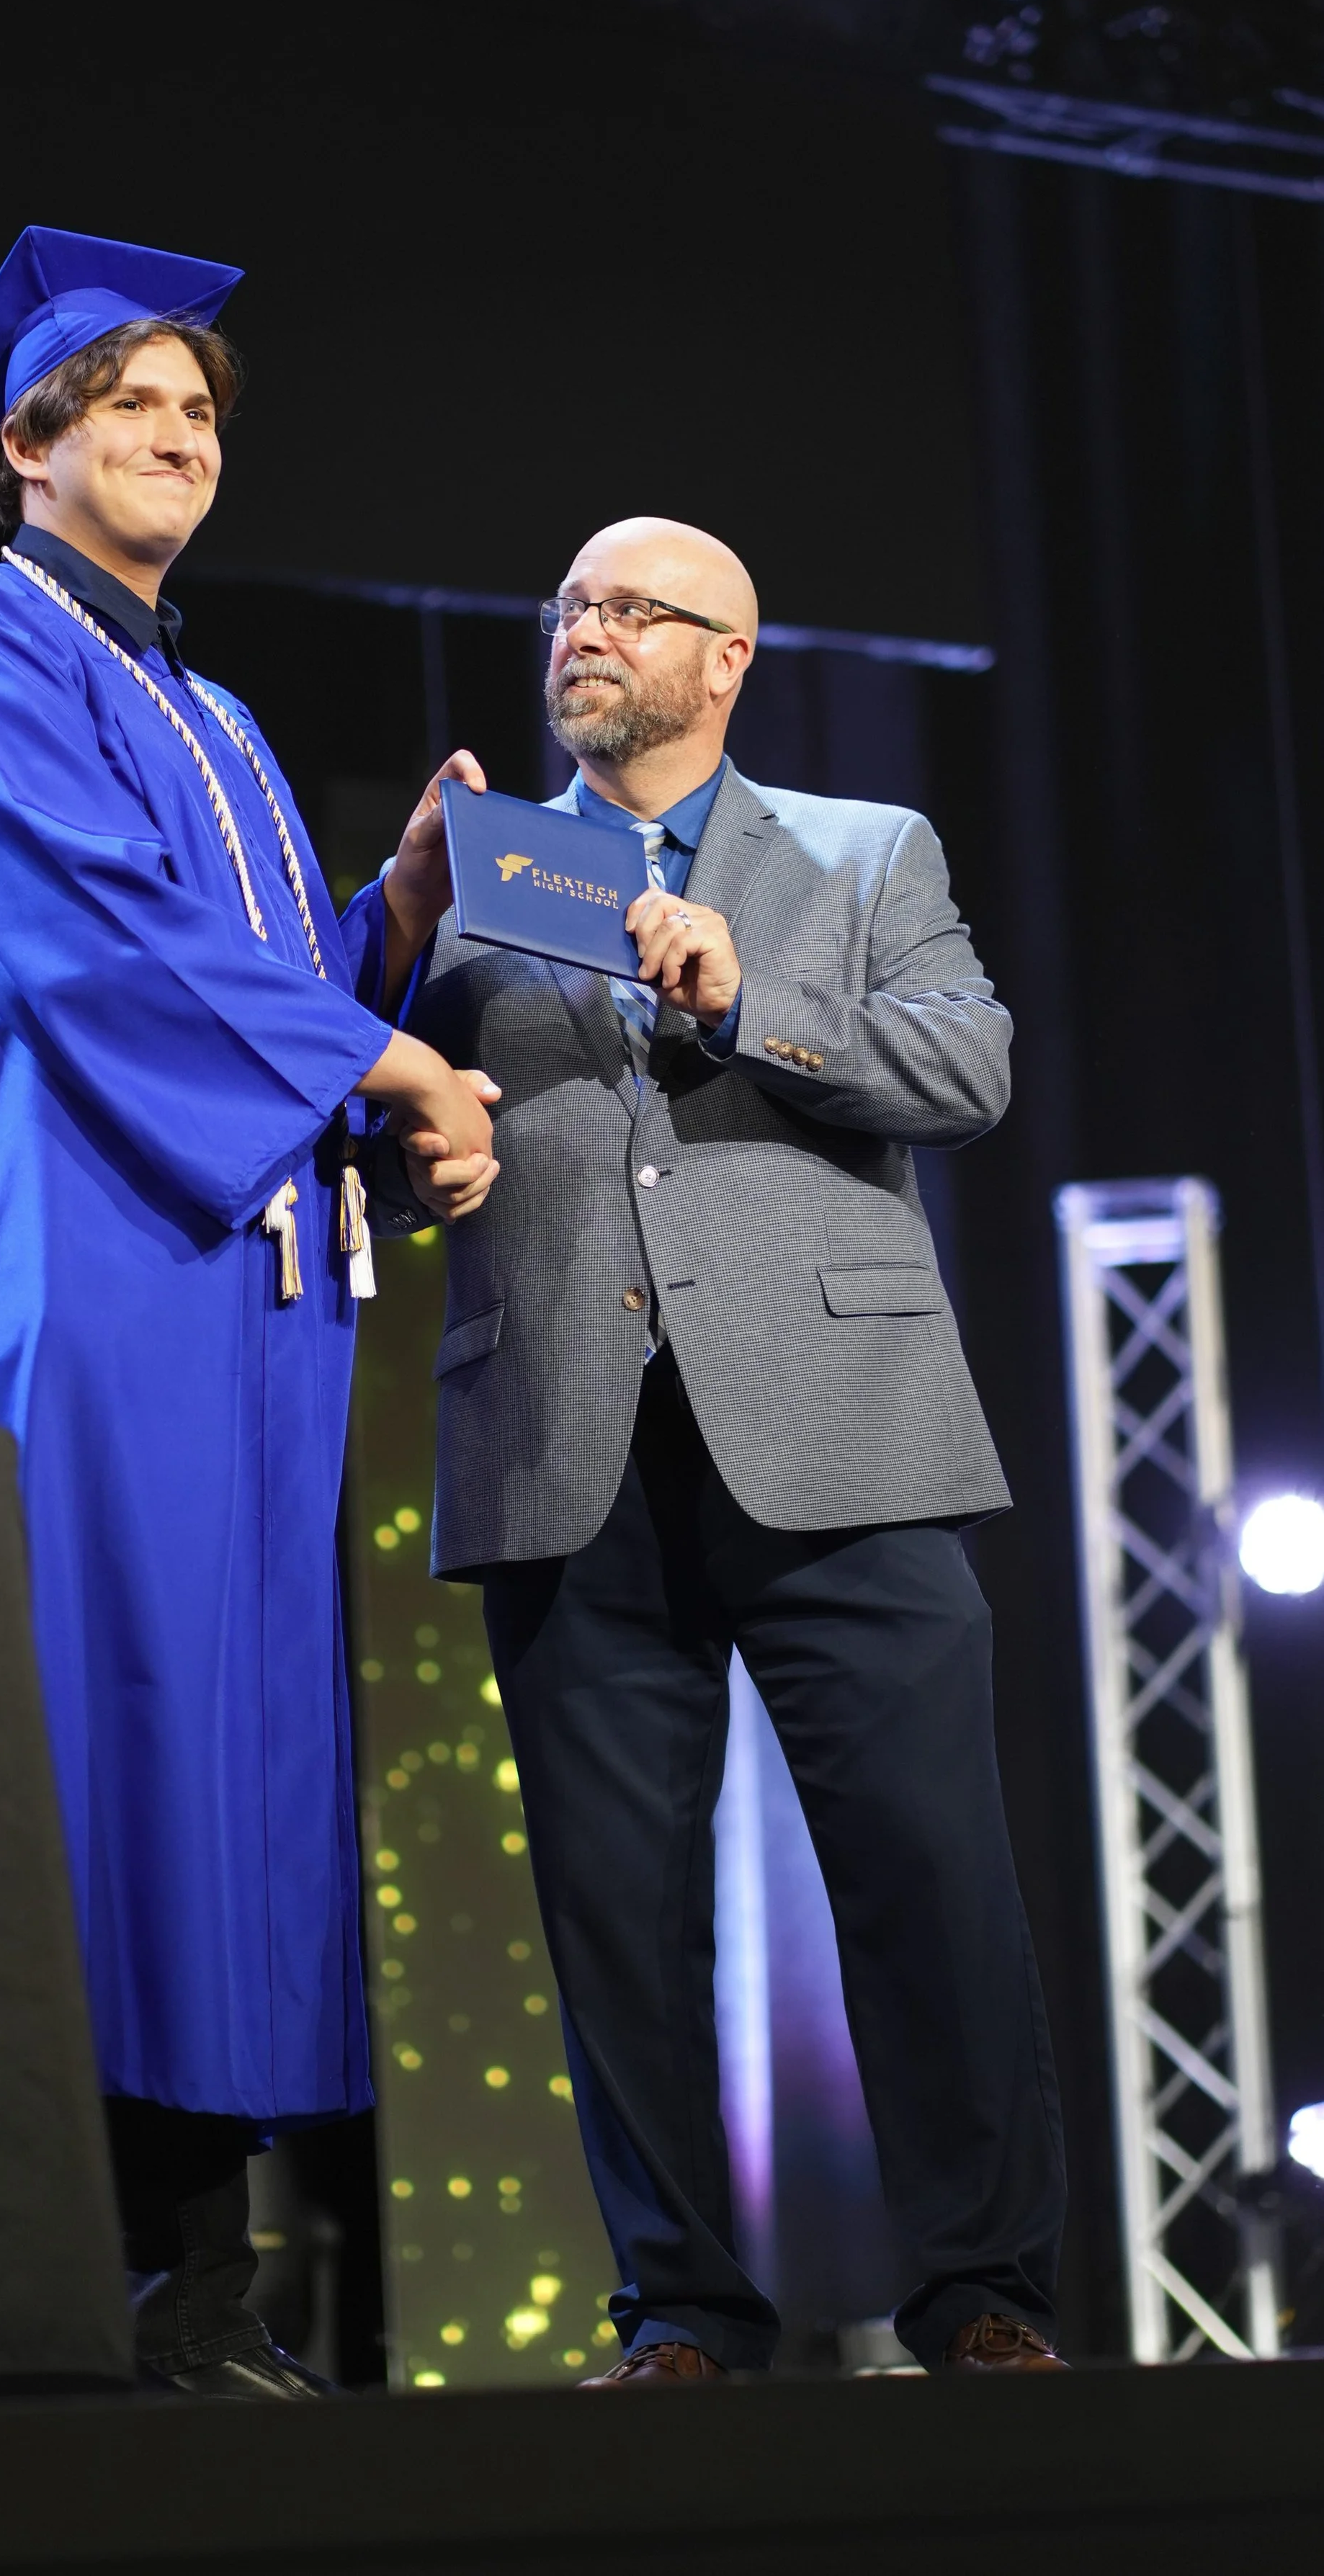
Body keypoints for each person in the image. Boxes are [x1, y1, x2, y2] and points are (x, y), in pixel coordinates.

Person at [0, 227, 496, 2399]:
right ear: (22, 444)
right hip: (90, 1258)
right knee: (105, 1736)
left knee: (230, 1761)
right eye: (132, 403)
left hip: (248, 1299)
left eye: (203, 410)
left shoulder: (207, 707)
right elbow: (82, 938)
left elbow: (277, 1002)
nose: (180, 435)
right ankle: (120, 2276)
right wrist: (379, 1061)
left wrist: (387, 933)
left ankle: (208, 2284)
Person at [368, 514, 1068, 2382]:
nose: (582, 632)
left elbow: (968, 1066)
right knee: (615, 1915)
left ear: (726, 657)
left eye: (627, 610)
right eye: (566, 608)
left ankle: (984, 2290)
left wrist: (747, 990)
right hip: (562, 1446)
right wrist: (407, 920)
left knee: (930, 1879)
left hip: (842, 1435)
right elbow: (360, 1111)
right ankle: (679, 2308)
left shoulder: (856, 848)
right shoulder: (496, 866)